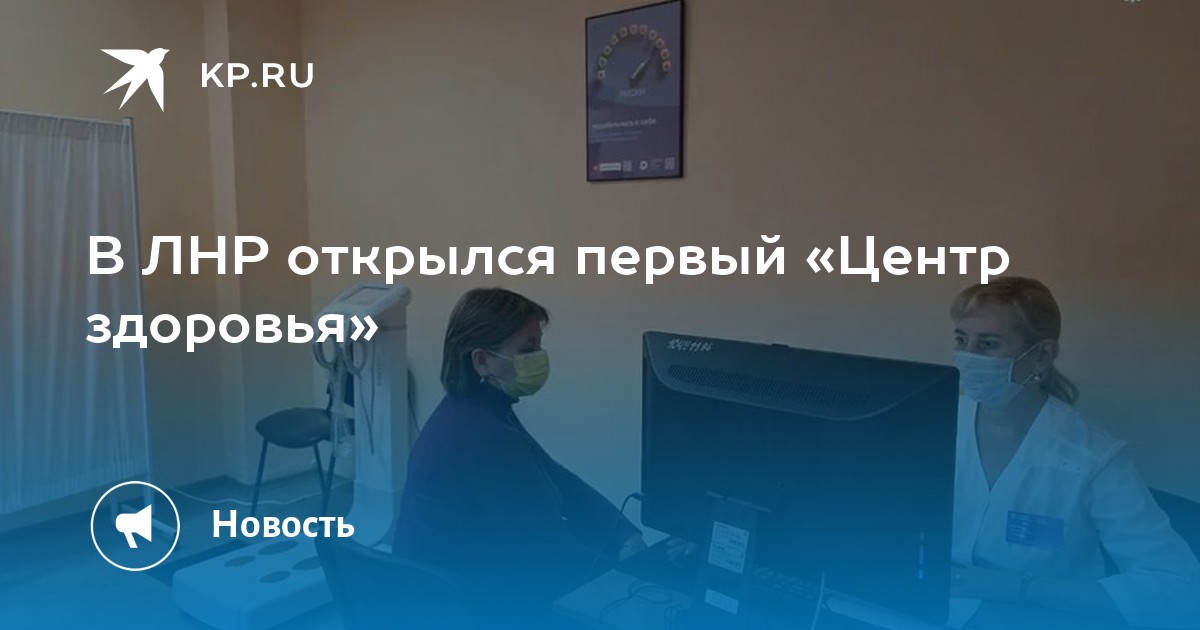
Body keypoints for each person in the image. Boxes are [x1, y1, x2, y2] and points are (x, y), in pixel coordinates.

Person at [949, 276, 1200, 628]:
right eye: (962, 340)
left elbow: (1179, 587)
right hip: (931, 607)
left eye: (988, 344)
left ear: (1042, 355)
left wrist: (1019, 587)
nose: (969, 356)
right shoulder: (935, 422)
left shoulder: (1092, 456)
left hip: (1039, 619)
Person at [393, 287, 644, 626]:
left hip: (439, 590)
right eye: (527, 349)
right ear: (482, 360)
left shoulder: (472, 408)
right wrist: (626, 578)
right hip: (464, 606)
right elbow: (548, 551)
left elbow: (555, 475)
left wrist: (623, 534)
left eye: (538, 345)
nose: (539, 357)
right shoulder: (485, 436)